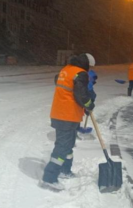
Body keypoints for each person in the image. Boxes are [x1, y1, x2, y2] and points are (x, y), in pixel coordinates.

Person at [41, 53, 96, 192]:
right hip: (67, 115)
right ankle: (49, 177)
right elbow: (81, 95)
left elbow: (67, 88)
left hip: (61, 113)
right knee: (62, 147)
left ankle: (65, 170)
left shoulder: (66, 70)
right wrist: (89, 104)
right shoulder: (80, 73)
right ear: (86, 64)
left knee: (68, 145)